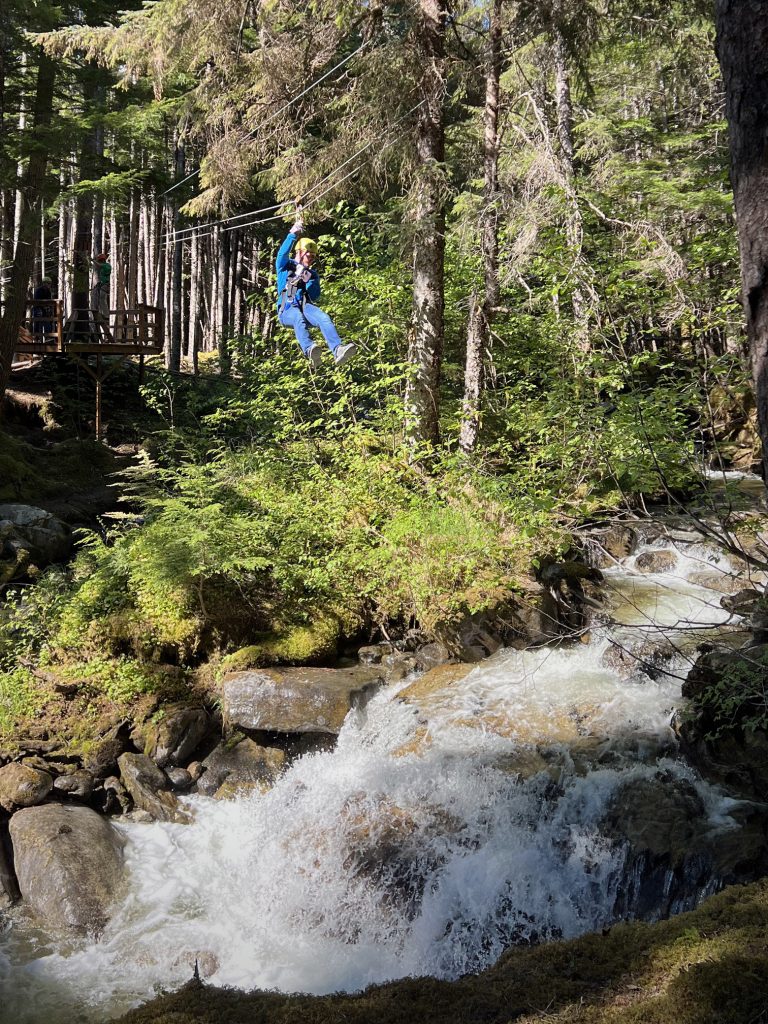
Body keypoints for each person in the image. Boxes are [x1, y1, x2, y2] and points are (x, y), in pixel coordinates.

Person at [276, 219, 356, 367]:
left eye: (313, 257)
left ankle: (337, 349)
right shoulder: (286, 266)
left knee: (324, 318)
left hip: (305, 308)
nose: (311, 259)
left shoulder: (311, 274)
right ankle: (309, 349)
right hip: (287, 310)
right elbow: (282, 254)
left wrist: (310, 282)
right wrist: (292, 235)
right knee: (297, 318)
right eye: (309, 256)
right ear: (299, 253)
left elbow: (314, 295)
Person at [91, 252, 112, 320]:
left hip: (105, 285)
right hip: (103, 284)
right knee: (100, 299)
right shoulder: (104, 266)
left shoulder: (107, 265)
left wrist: (93, 260)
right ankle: (103, 314)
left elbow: (99, 265)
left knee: (102, 299)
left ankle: (106, 315)